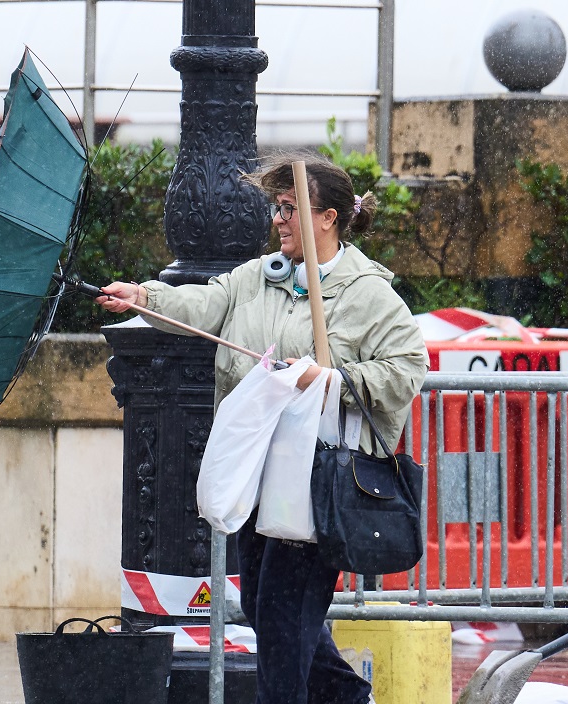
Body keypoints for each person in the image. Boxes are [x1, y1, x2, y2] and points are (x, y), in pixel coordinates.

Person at [95, 154, 428, 704]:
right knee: (268, 610)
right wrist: (145, 297)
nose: (279, 219)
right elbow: (203, 302)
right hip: (260, 474)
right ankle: (349, 699)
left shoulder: (369, 295)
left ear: (329, 218)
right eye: (277, 208)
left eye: (290, 208)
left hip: (316, 483)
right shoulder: (258, 278)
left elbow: (405, 370)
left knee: (279, 622)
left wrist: (333, 378)